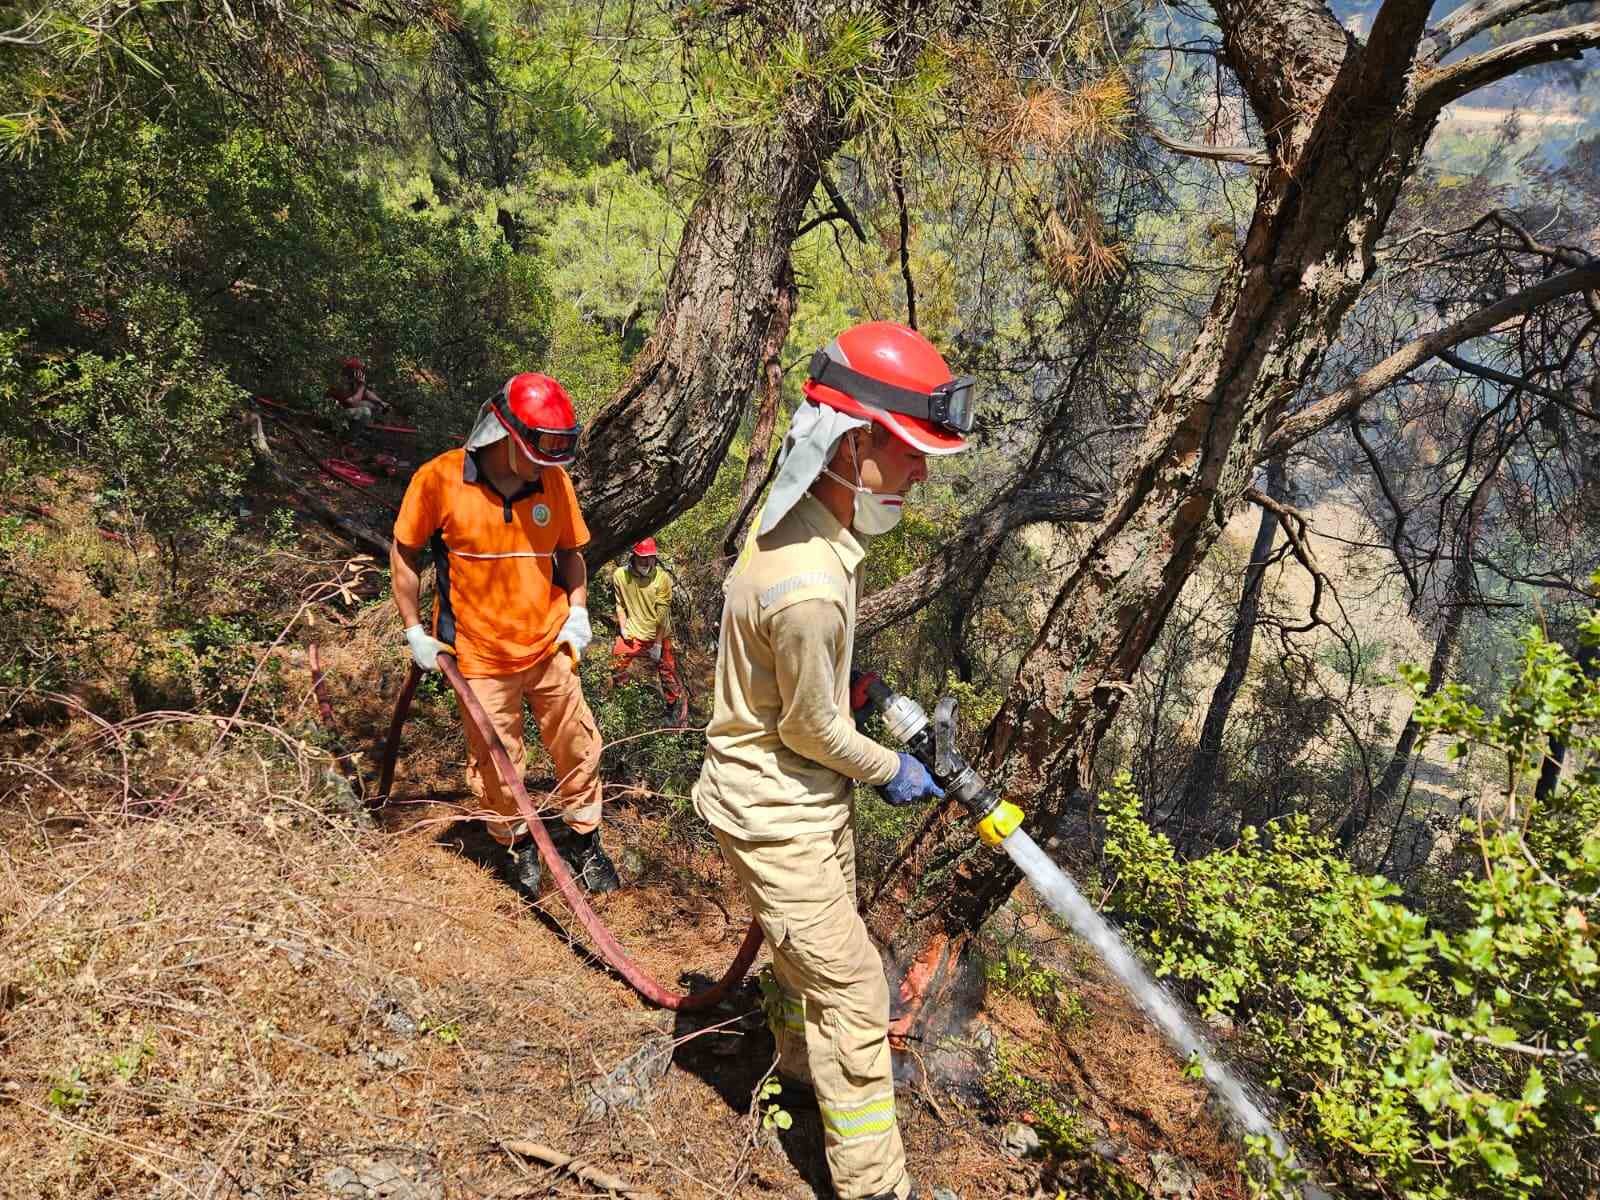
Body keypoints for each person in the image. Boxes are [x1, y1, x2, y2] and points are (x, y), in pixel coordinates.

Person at [692, 322, 975, 1200]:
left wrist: (861, 690)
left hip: (800, 803)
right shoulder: (812, 584)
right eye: (910, 454)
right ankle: (874, 1186)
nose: (922, 474)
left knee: (798, 961)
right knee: (854, 996)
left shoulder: (811, 525)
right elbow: (813, 730)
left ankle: (795, 1075)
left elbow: (803, 689)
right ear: (854, 446)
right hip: (779, 811)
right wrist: (892, 769)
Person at [390, 372, 620, 895]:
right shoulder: (440, 480)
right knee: (498, 763)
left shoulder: (553, 483)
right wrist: (412, 631)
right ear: (505, 436)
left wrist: (577, 612)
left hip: (547, 645)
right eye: (539, 452)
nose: (547, 465)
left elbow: (570, 553)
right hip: (478, 656)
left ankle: (585, 841)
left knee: (578, 745)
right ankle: (515, 845)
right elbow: (404, 553)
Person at [608, 537, 685, 720]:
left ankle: (671, 708)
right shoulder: (620, 575)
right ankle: (624, 702)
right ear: (634, 556)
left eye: (651, 557)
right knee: (617, 665)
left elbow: (662, 614)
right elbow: (620, 605)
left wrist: (657, 644)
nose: (647, 561)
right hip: (633, 632)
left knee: (668, 674)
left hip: (658, 634)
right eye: (643, 557)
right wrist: (623, 628)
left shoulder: (662, 578)